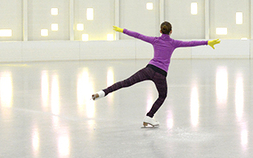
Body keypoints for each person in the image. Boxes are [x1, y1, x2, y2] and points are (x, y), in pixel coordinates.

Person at [92, 21, 221, 128]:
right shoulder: (174, 43)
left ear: (160, 31)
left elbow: (138, 35)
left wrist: (122, 30)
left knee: (126, 82)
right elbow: (191, 43)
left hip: (149, 69)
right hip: (160, 75)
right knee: (162, 96)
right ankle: (149, 117)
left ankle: (102, 92)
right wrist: (207, 42)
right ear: (171, 31)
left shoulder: (155, 40)